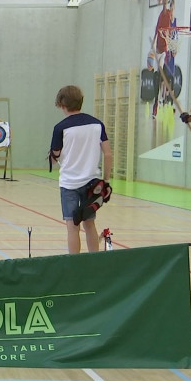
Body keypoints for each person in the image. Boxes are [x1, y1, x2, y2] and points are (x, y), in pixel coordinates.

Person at [49, 85, 112, 254]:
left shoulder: (60, 128)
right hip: (92, 183)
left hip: (69, 183)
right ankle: (94, 261)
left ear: (62, 104)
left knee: (72, 227)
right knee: (89, 224)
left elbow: (55, 155)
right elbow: (108, 154)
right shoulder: (97, 124)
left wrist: (53, 156)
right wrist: (105, 181)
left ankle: (75, 265)